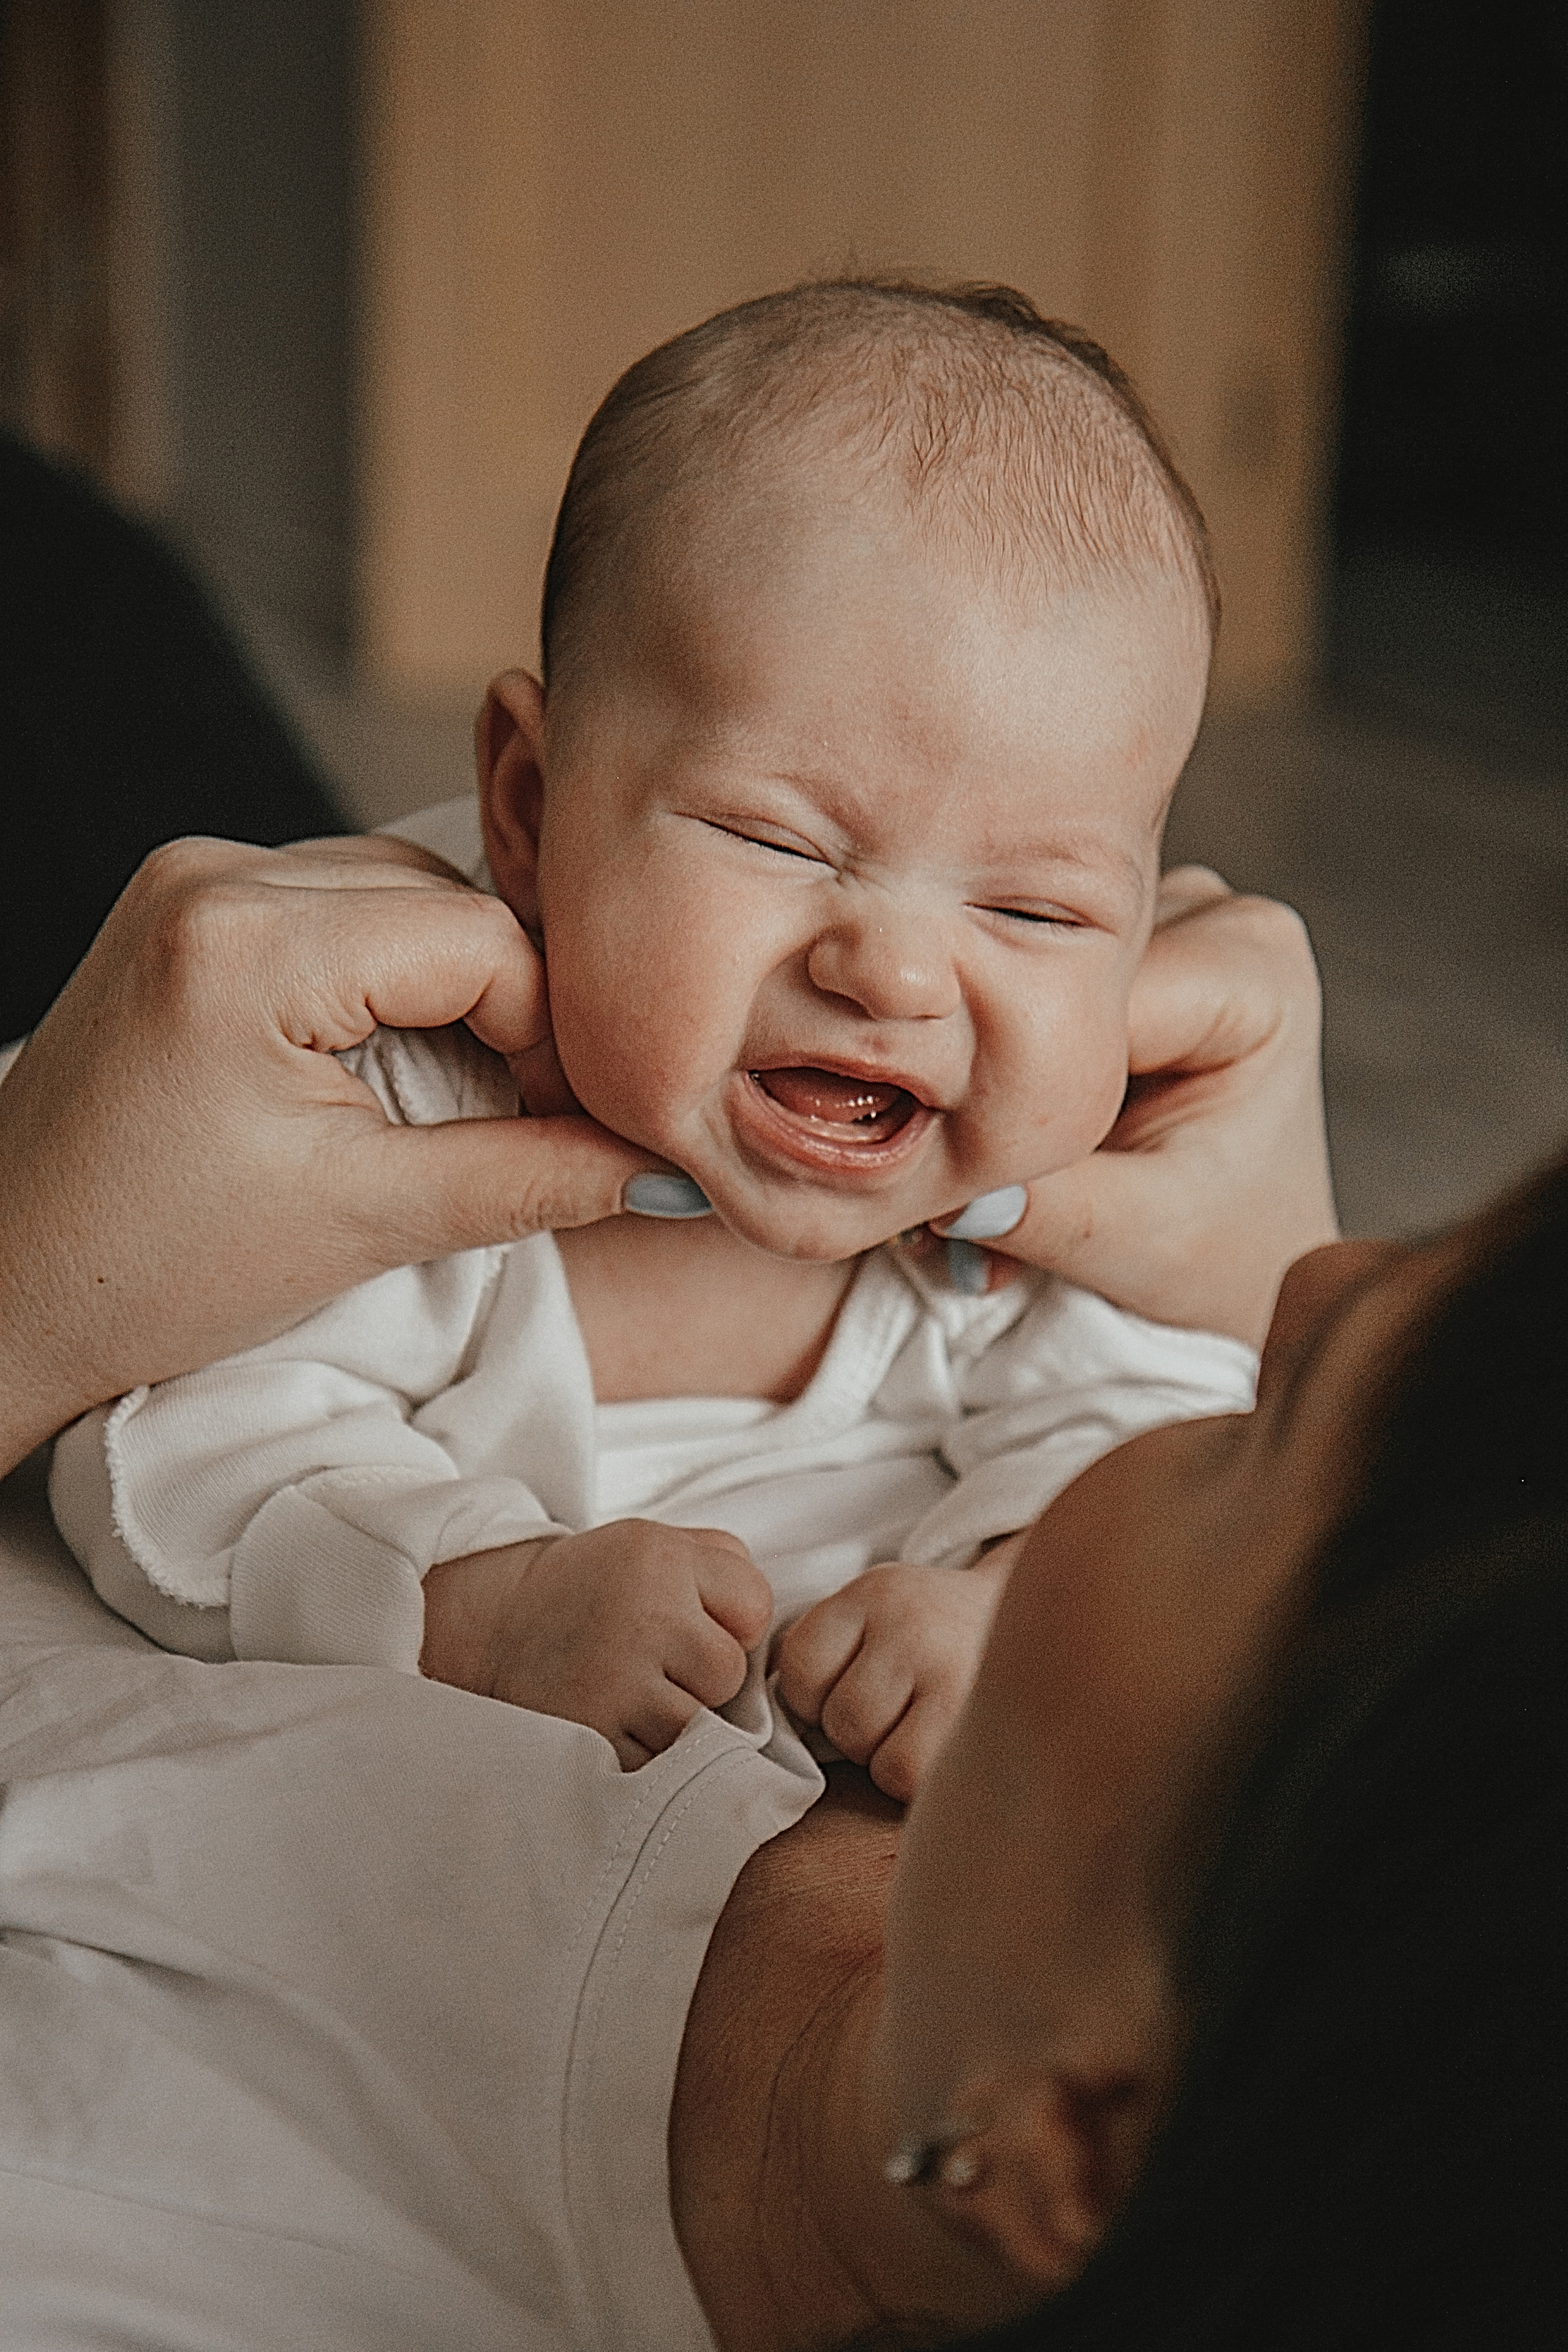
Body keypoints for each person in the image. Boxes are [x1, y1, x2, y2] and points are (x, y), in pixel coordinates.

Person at [1, 838, 1561, 2348]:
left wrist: (25, 1273)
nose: (1305, 1268)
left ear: (1064, 2154)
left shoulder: (120, 2216)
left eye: (1248, 1434)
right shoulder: (1056, 1783)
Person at [48, 281, 1318, 1796]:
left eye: (1035, 911)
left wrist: (1014, 1604)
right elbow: (177, 1448)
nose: (897, 972)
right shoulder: (382, 1115)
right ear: (527, 809)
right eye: (777, 840)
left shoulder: (1043, 1214)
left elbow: (1159, 1430)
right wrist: (476, 1600)